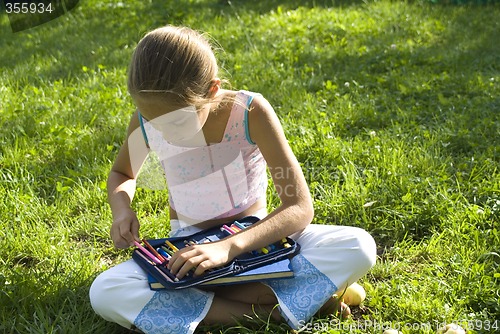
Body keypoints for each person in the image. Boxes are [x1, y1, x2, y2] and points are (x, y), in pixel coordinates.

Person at [89, 25, 376, 334]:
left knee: (359, 246)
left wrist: (227, 248)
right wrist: (122, 210)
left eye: (176, 121)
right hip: (187, 251)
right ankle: (270, 310)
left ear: (212, 91)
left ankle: (209, 299)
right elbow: (123, 173)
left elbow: (299, 206)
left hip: (258, 242)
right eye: (152, 120)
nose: (164, 132)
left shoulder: (250, 112)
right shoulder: (148, 119)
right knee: (105, 291)